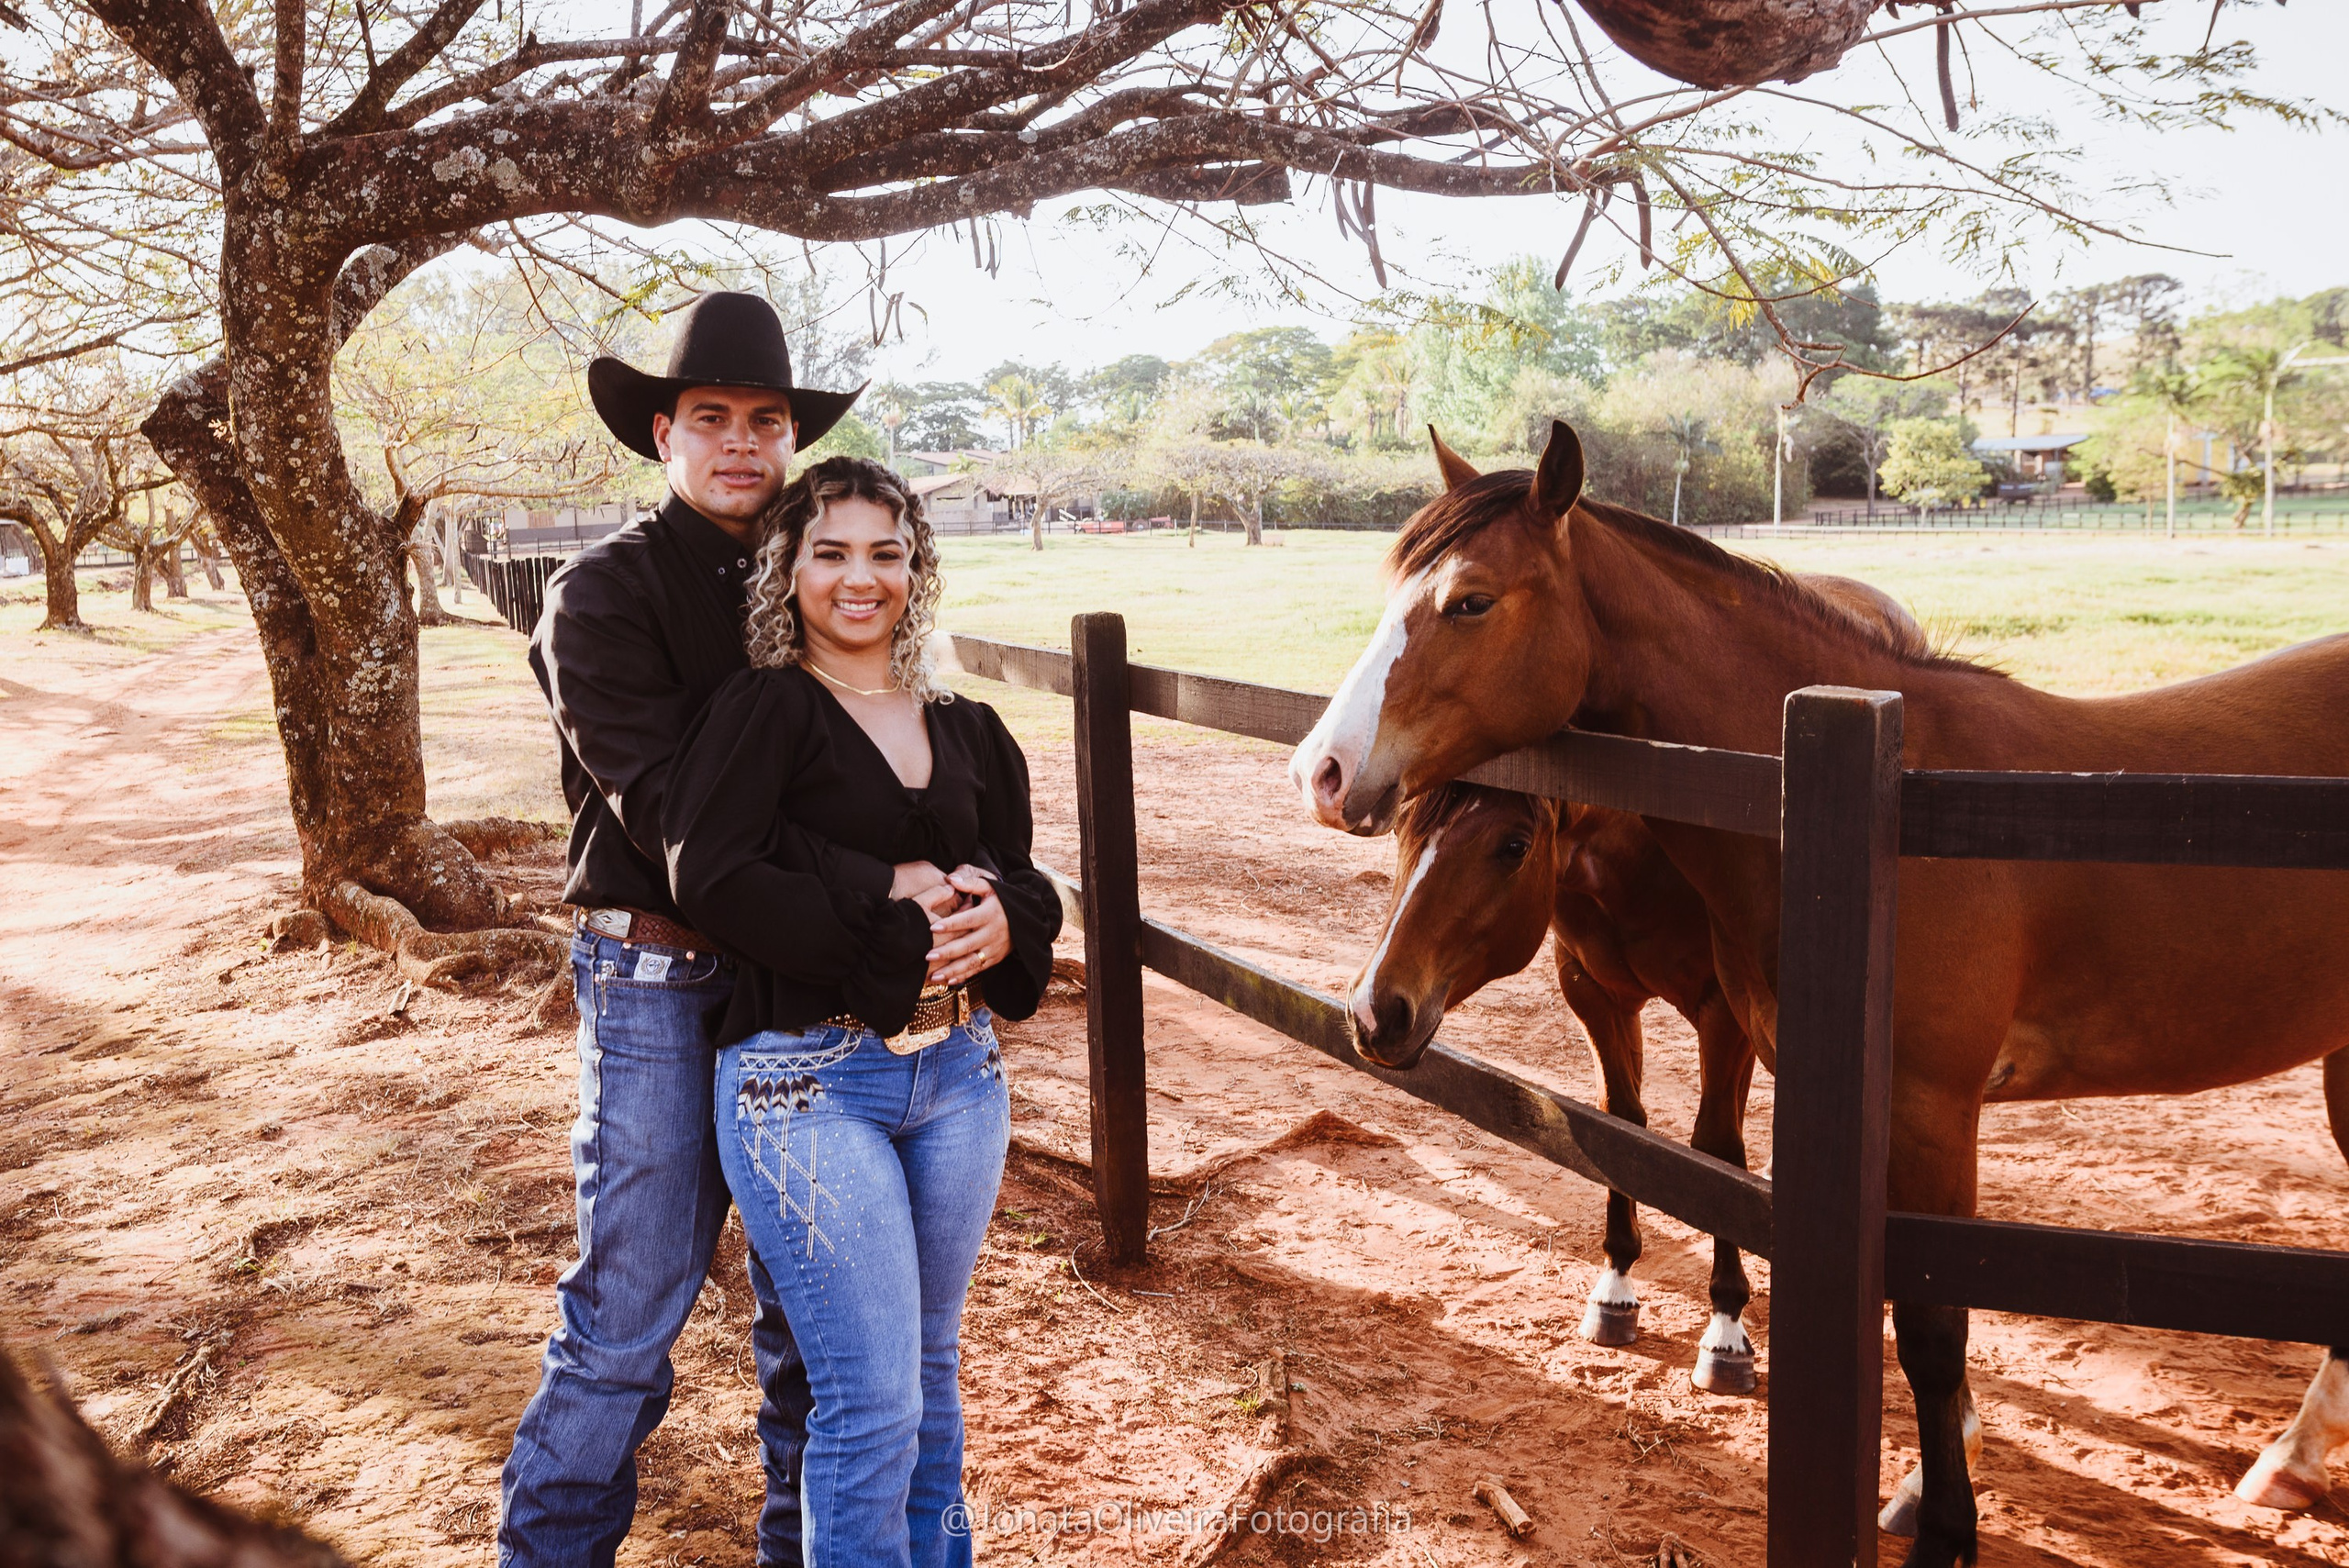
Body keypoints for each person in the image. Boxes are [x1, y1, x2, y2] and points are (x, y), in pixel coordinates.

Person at [502, 292, 869, 1568]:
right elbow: (673, 822)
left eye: (765, 420)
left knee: (815, 1318)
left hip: (800, 977)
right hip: (659, 970)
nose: (740, 443)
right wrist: (863, 895)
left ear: (791, 436)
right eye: (710, 417)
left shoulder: (823, 578)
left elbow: (880, 767)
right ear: (663, 433)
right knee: (629, 1309)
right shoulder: (599, 594)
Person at [663, 457, 1061, 1566]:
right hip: (806, 1085)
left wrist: (1006, 918)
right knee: (870, 1402)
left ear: (914, 570)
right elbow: (714, 876)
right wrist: (886, 917)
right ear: (786, 571)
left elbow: (1017, 869)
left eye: (886, 553)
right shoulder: (764, 710)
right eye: (830, 552)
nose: (860, 577)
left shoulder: (967, 724)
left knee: (929, 1377)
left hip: (960, 1077)